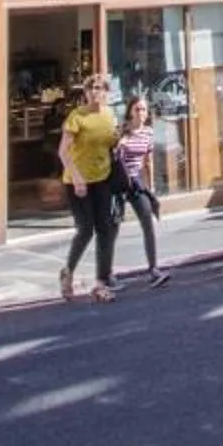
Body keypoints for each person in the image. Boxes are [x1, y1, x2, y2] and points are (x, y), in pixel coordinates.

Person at [57, 72, 121, 303]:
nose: (96, 92)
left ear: (106, 92)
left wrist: (120, 136)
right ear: (85, 93)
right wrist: (76, 178)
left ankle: (101, 283)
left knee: (106, 229)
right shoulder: (77, 117)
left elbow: (111, 143)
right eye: (92, 88)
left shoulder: (109, 115)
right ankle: (68, 272)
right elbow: (63, 151)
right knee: (85, 230)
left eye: (101, 88)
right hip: (78, 182)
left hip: (102, 179)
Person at [113, 96, 172, 290]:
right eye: (137, 109)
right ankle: (107, 274)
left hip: (136, 181)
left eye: (144, 110)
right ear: (130, 111)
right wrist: (121, 140)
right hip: (119, 182)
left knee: (147, 221)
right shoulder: (122, 130)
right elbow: (113, 155)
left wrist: (150, 186)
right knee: (112, 227)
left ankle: (153, 269)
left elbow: (148, 160)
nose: (141, 113)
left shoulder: (147, 132)